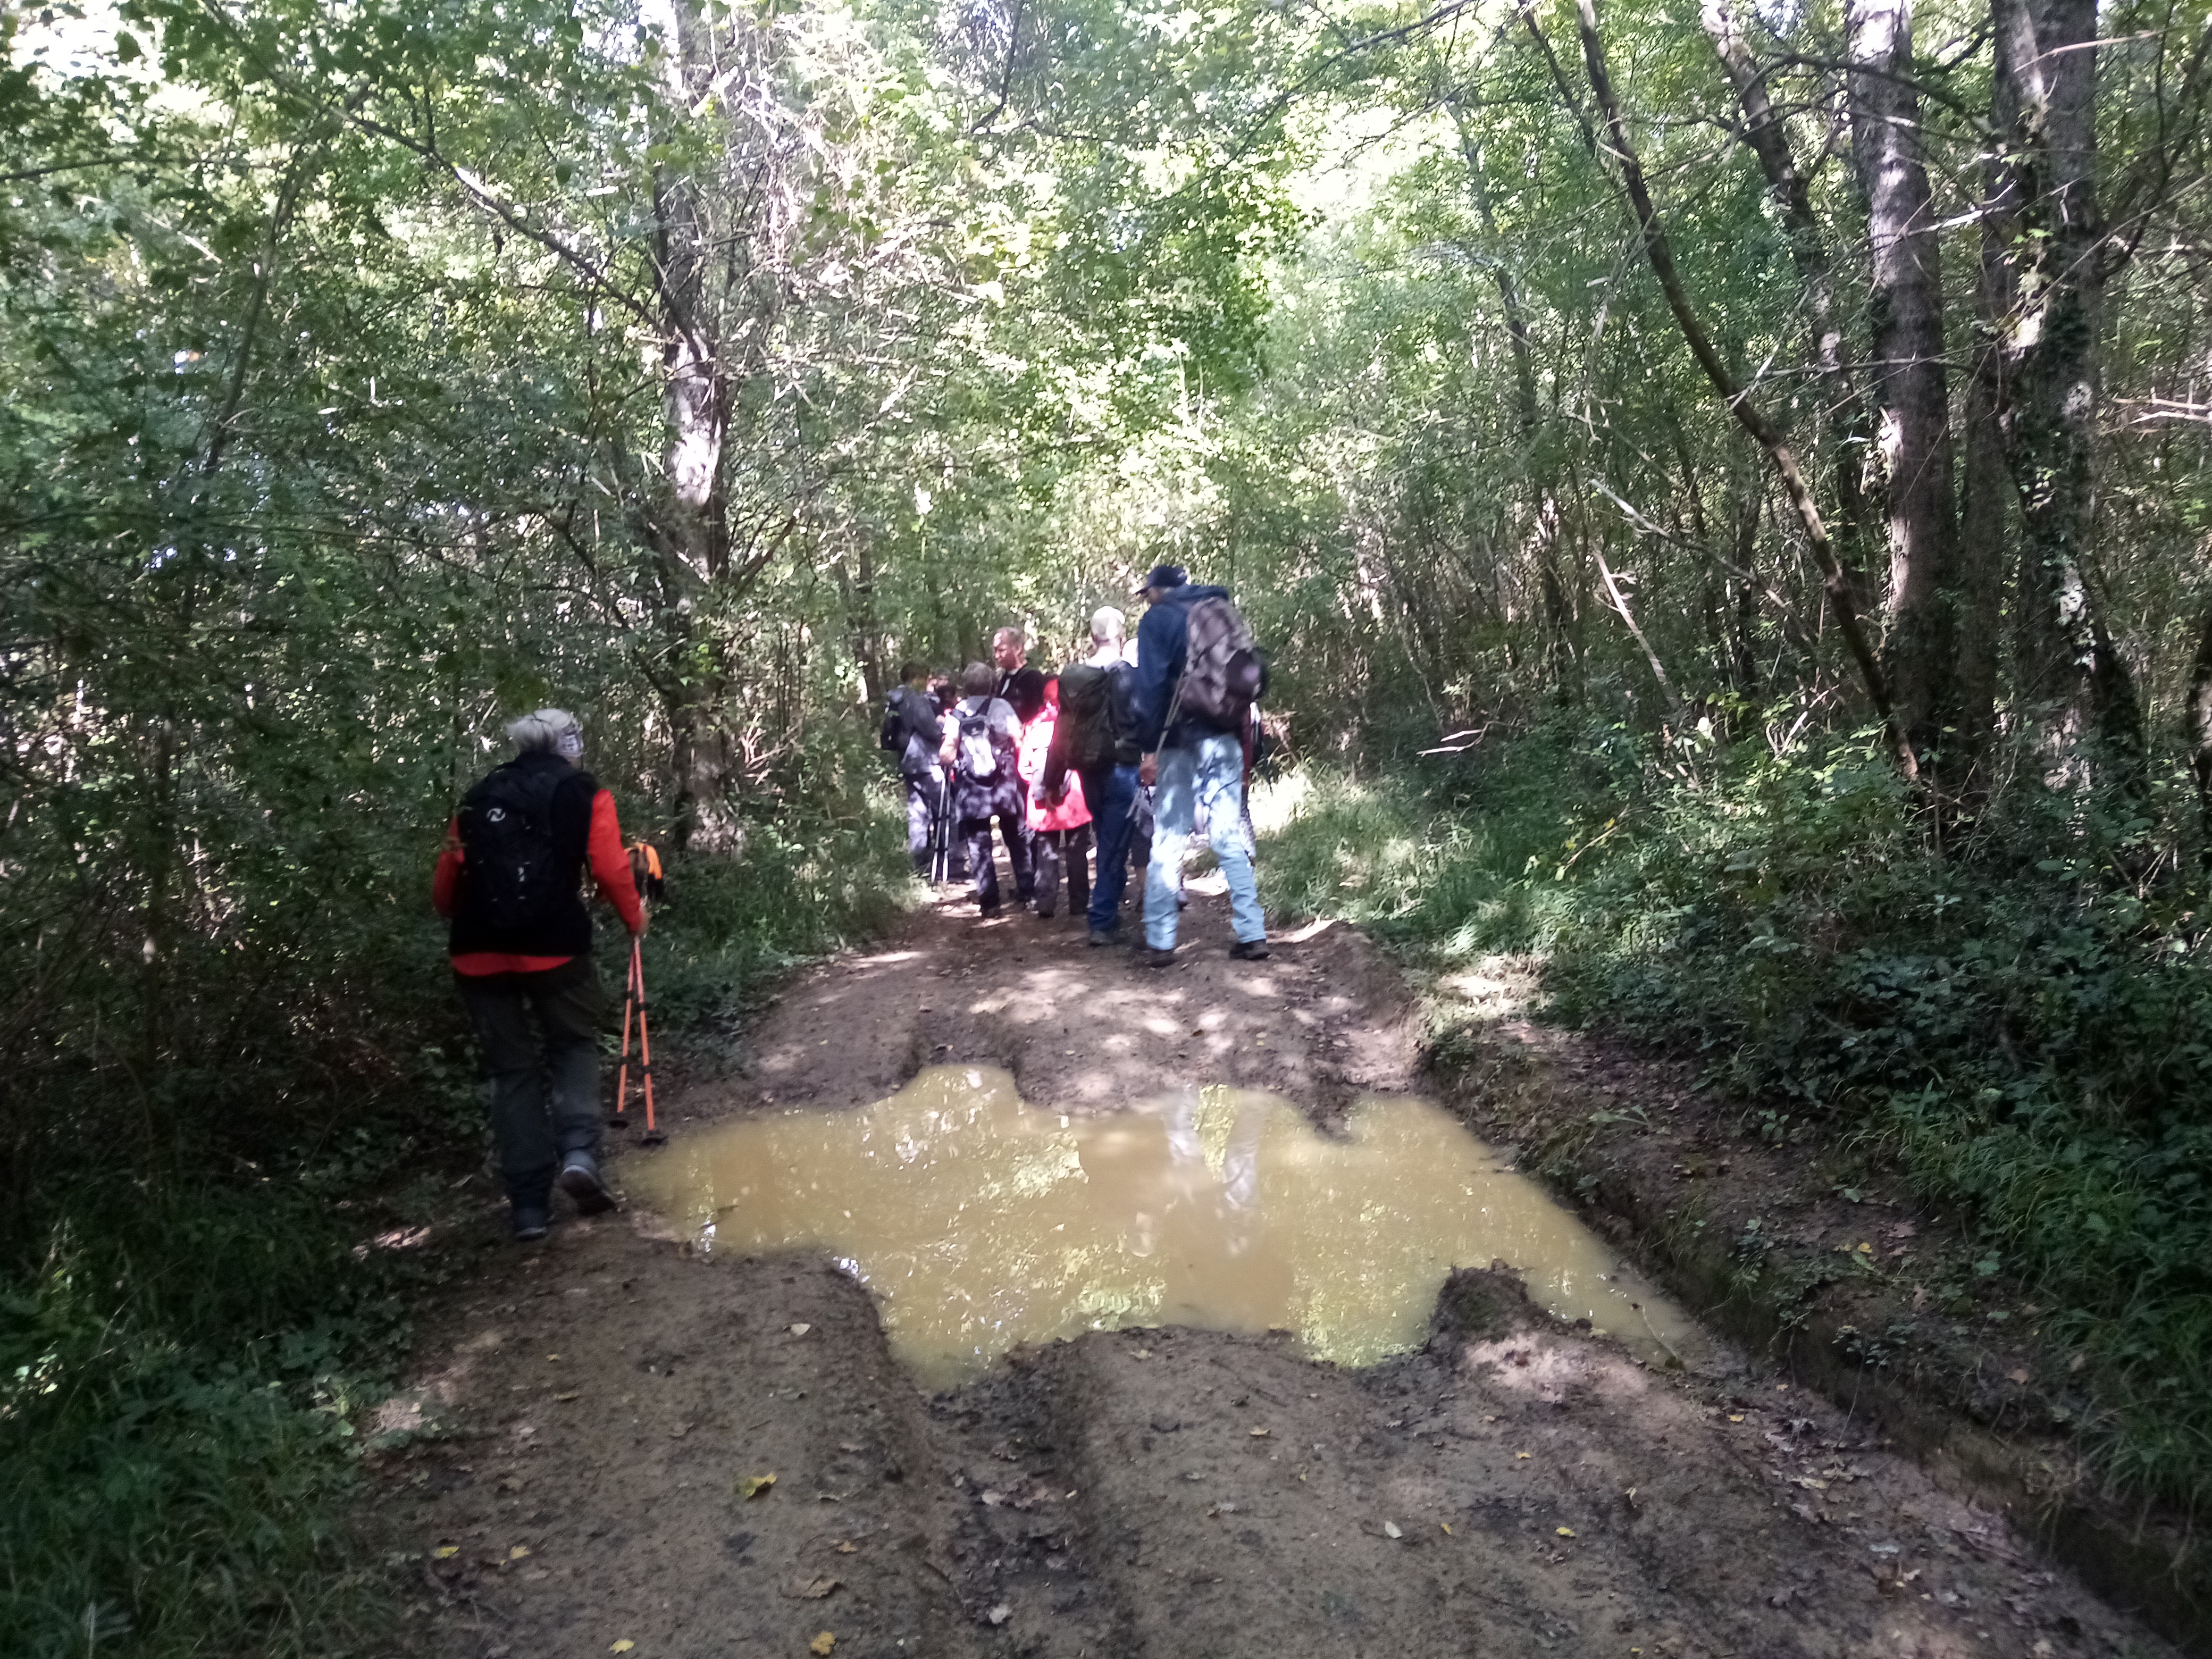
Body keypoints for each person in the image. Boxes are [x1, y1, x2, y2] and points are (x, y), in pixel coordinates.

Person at [432, 708, 645, 1240]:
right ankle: (579, 1155)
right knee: (572, 1045)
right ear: (568, 744)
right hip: (555, 948)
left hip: (477, 952)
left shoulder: (479, 795)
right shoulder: (583, 792)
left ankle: (528, 1207)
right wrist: (634, 918)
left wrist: (470, 917)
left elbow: (446, 883)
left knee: (511, 1072)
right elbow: (610, 868)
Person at [1128, 565, 1270, 965]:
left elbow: (1150, 688)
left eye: (1148, 593)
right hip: (1224, 735)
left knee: (1169, 837)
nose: (1147, 600)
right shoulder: (1220, 610)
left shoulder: (1158, 619)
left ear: (1159, 590)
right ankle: (1253, 933)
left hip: (1178, 739)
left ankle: (1160, 940)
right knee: (1227, 835)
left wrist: (1149, 748)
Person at [1044, 606, 1144, 946]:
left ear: (1092, 637)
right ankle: (1102, 921)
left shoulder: (1074, 680)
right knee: (1113, 846)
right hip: (1121, 769)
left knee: (1107, 839)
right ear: (1121, 635)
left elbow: (1062, 731)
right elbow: (1141, 723)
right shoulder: (1128, 675)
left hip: (1087, 769)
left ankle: (1109, 912)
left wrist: (1052, 779)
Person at [943, 661, 1033, 917]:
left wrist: (957, 760)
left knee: (978, 843)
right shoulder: (1002, 707)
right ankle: (1028, 892)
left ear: (966, 686)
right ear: (992, 684)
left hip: (972, 788)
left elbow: (947, 753)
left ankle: (990, 903)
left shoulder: (957, 713)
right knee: (1016, 837)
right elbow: (1019, 740)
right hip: (1004, 783)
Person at [1020, 679, 1092, 919]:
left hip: (1043, 805)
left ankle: (1046, 903)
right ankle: (1079, 903)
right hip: (1075, 802)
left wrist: (1039, 786)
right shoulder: (1079, 726)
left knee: (1046, 853)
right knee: (1077, 852)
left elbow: (1023, 768)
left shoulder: (1034, 727)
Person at [882, 660, 951, 878]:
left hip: (907, 762)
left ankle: (921, 866)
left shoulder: (894, 700)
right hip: (926, 762)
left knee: (917, 814)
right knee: (946, 810)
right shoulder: (915, 699)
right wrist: (942, 724)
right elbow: (932, 731)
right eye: (925, 678)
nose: (928, 682)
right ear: (917, 679)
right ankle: (950, 863)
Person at [992, 626, 1048, 724]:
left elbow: (1038, 716)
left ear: (1018, 649)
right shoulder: (1001, 679)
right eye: (995, 650)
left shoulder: (1032, 678)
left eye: (1001, 650)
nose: (997, 656)